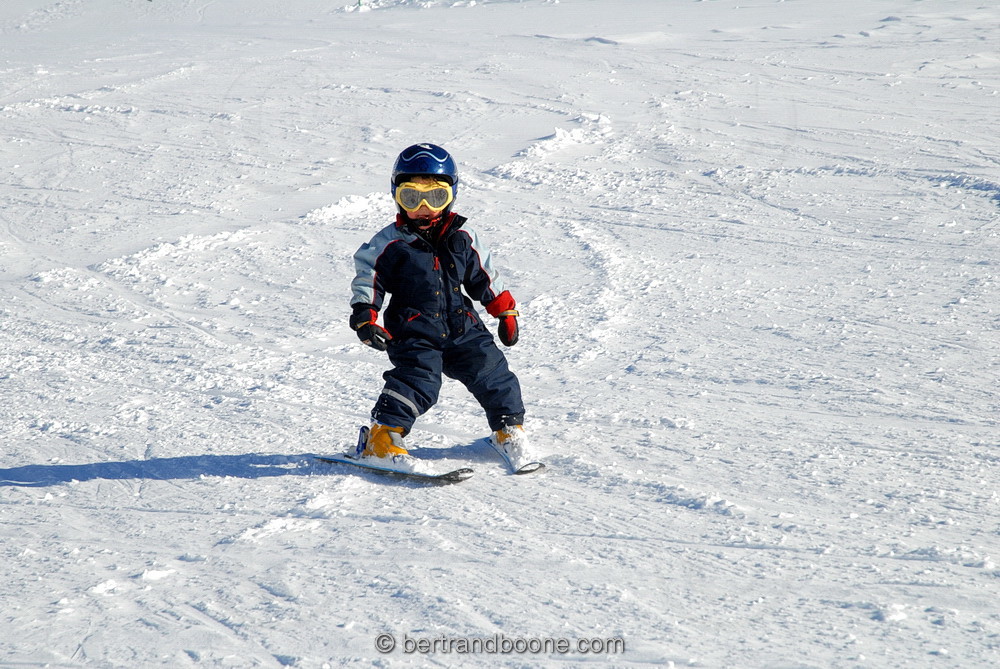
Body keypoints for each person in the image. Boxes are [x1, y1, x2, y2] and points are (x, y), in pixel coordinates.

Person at [349, 143, 531, 469]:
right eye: (411, 197)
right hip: (413, 330)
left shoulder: (463, 236)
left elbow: (484, 276)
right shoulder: (390, 243)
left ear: (451, 196)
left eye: (435, 197)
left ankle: (508, 430)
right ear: (396, 196)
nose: (423, 208)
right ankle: (381, 437)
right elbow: (369, 278)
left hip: (463, 326)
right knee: (418, 381)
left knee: (493, 373)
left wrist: (504, 311)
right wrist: (365, 316)